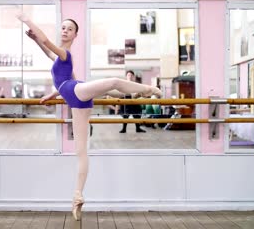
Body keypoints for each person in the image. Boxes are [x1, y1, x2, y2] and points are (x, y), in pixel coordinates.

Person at [17, 13, 162, 221]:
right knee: (81, 152)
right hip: (75, 99)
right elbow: (51, 59)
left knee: (112, 82)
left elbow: (48, 43)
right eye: (63, 27)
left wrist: (27, 20)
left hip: (75, 93)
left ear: (75, 35)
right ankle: (77, 197)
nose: (65, 30)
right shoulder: (59, 58)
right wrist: (51, 91)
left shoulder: (66, 54)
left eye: (69, 29)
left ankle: (148, 89)